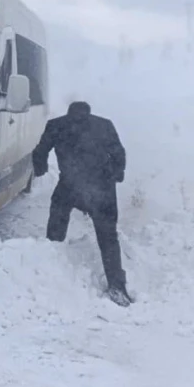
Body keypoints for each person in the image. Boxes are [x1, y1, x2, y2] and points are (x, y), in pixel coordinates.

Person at [32, 101, 132, 306]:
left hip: (70, 184)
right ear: (89, 113)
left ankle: (50, 262)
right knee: (108, 236)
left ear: (69, 113)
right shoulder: (104, 125)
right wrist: (116, 174)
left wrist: (40, 168)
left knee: (58, 216)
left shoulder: (57, 125)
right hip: (102, 187)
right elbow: (119, 154)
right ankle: (116, 285)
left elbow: (39, 151)